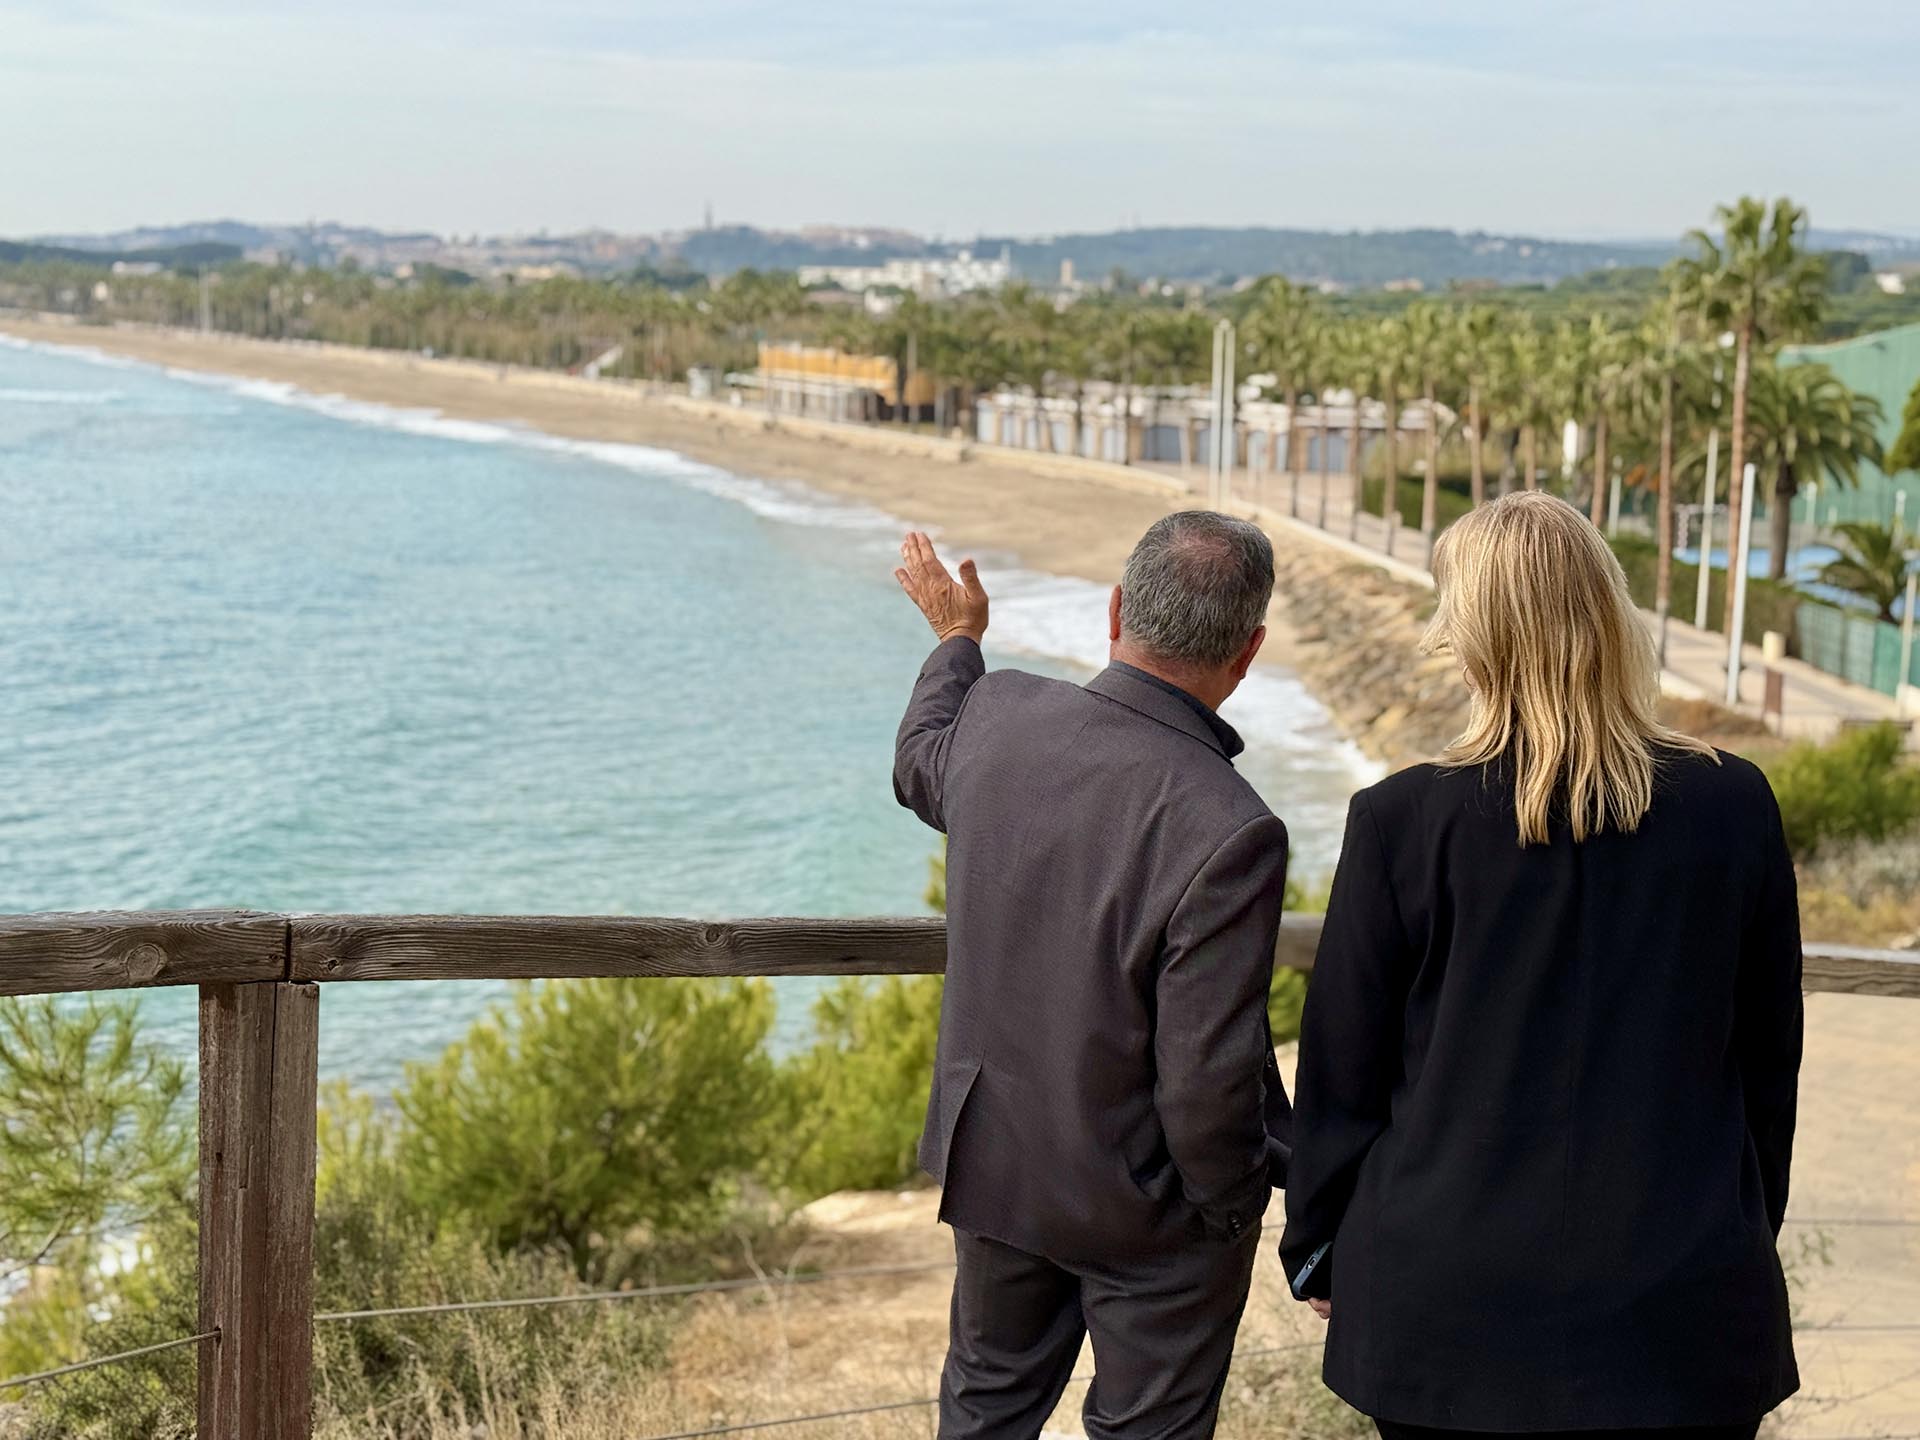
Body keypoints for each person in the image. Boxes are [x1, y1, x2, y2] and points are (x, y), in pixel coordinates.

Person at [1281, 491, 1803, 1440]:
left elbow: (1342, 1078)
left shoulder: (1402, 821)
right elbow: (1770, 1063)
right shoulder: (1735, 806)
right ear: (1610, 612)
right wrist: (1737, 1230)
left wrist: (1317, 1244)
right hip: (1682, 1308)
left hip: (1442, 1315)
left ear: (1475, 637)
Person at [891, 511, 1293, 1440]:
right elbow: (1205, 1075)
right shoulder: (1232, 825)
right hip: (1152, 1215)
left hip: (997, 1166)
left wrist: (957, 640)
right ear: (1248, 652)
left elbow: (919, 763)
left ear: (1115, 612)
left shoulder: (998, 716)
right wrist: (1233, 1210)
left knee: (985, 1414)